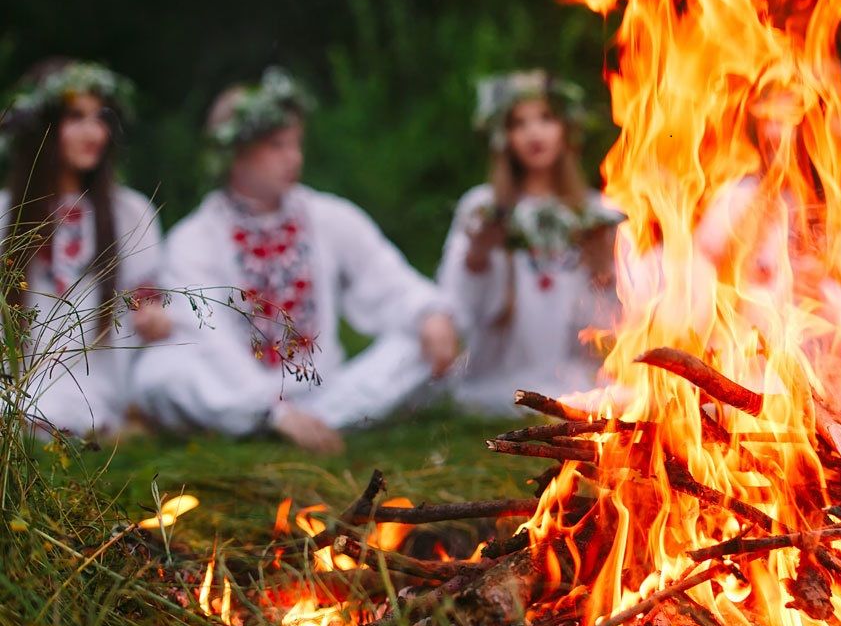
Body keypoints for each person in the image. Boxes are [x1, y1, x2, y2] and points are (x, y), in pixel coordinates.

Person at [132, 68, 459, 452]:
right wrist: (269, 407)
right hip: (238, 391)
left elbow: (385, 276)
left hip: (327, 390)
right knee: (158, 374)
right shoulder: (194, 238)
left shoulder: (329, 215)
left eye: (296, 144)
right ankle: (269, 423)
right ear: (234, 150)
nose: (294, 157)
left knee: (418, 345)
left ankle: (305, 423)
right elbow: (209, 338)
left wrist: (428, 314)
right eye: (277, 145)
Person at [0, 59, 169, 437]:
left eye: (101, 118)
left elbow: (148, 298)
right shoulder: (6, 210)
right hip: (17, 376)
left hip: (94, 380)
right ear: (41, 126)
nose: (94, 132)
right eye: (75, 117)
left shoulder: (130, 211)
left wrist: (153, 316)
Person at [437, 70, 618, 412]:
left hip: (575, 374)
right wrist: (478, 258)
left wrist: (603, 270)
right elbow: (455, 309)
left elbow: (613, 329)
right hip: (499, 375)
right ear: (503, 136)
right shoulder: (482, 207)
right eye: (519, 123)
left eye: (546, 119)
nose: (534, 133)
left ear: (567, 128)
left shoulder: (598, 211)